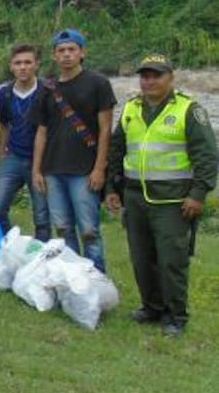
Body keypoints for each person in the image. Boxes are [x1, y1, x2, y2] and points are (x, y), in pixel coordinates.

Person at [105, 54, 216, 337]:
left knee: (171, 261)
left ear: (171, 78)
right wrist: (112, 188)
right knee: (142, 259)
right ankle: (151, 307)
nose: (150, 81)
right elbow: (117, 150)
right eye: (145, 76)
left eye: (157, 75)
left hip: (172, 201)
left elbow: (207, 157)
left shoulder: (188, 110)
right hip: (135, 198)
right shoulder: (131, 108)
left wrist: (198, 194)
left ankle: (175, 316)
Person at [32, 28, 116, 271]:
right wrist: (37, 170)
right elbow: (41, 132)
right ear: (54, 55)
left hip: (84, 170)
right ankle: (71, 276)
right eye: (61, 50)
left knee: (89, 230)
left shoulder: (98, 83)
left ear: (82, 52)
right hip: (53, 169)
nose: (66, 54)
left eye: (72, 49)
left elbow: (105, 129)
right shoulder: (47, 88)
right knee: (63, 229)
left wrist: (100, 168)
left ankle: (96, 277)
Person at [0, 44, 50, 240]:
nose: (23, 67)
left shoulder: (47, 91)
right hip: (14, 156)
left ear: (36, 65)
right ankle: (11, 245)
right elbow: (5, 125)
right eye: (18, 63)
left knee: (42, 216)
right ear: (11, 66)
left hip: (41, 160)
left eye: (27, 62)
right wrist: (2, 152)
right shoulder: (4, 94)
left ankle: (42, 253)